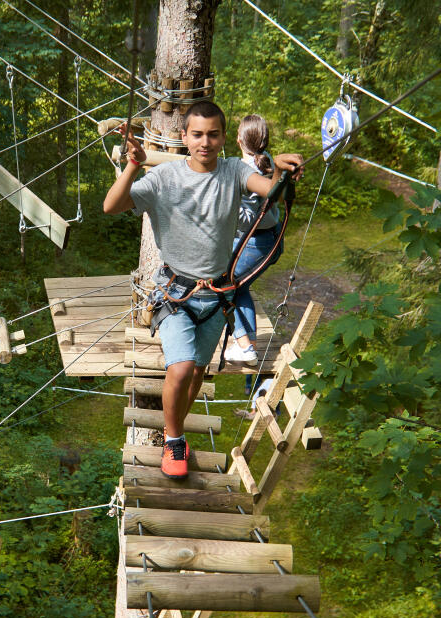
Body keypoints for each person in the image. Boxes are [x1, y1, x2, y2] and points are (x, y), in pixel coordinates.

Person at [103, 101, 302, 479]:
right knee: (179, 370)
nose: (205, 142)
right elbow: (111, 206)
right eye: (197, 134)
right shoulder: (165, 179)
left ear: (224, 137)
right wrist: (134, 164)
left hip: (217, 297)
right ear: (184, 137)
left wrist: (280, 170)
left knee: (196, 372)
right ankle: (174, 438)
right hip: (176, 295)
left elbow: (268, 188)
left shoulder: (233, 171)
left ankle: (172, 427)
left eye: (213, 134)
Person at [224, 114, 283, 367]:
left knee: (224, 285)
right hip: (272, 239)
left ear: (238, 140)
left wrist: (224, 204)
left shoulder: (247, 171)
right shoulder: (267, 160)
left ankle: (245, 347)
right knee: (241, 288)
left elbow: (247, 219)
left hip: (257, 243)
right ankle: (248, 346)